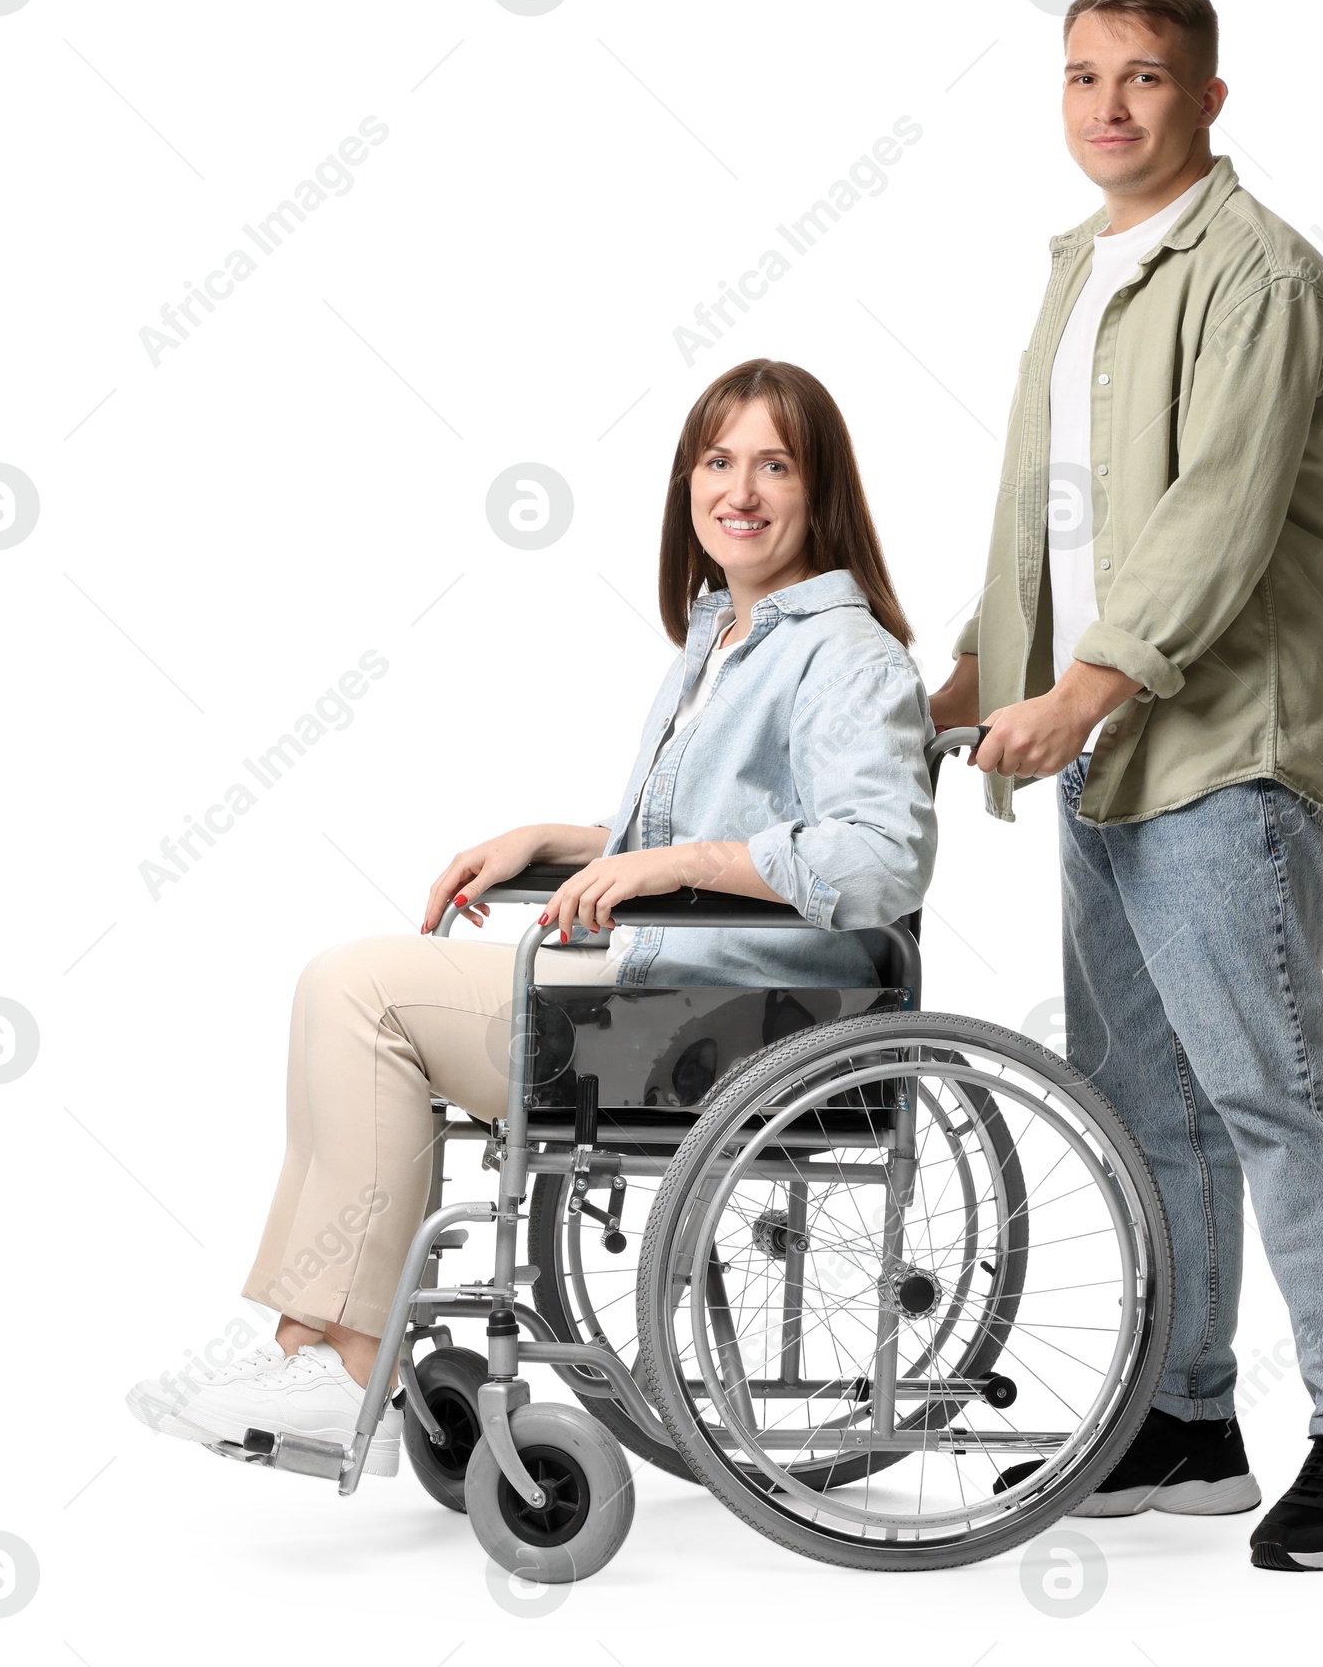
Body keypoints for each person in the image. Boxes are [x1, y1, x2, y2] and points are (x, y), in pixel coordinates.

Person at [127, 357, 937, 1471]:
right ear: (686, 484)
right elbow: (701, 843)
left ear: (820, 490)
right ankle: (311, 1346)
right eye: (716, 461)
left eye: (772, 465)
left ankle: (341, 1361)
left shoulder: (842, 654)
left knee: (359, 991)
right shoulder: (723, 638)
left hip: (735, 1024)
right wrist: (562, 843)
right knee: (342, 992)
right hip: (672, 993)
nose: (738, 490)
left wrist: (672, 863)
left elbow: (882, 859)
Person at [930, 0, 1323, 1573]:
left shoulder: (1260, 277)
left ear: (1210, 97)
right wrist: (970, 672)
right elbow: (1056, 518)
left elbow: (1211, 524)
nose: (1109, 107)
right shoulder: (1082, 270)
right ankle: (1191, 1420)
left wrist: (1078, 692)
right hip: (1096, 737)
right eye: (1082, 77)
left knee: (1270, 1091)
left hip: (1215, 746)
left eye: (1144, 78)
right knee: (1144, 1102)